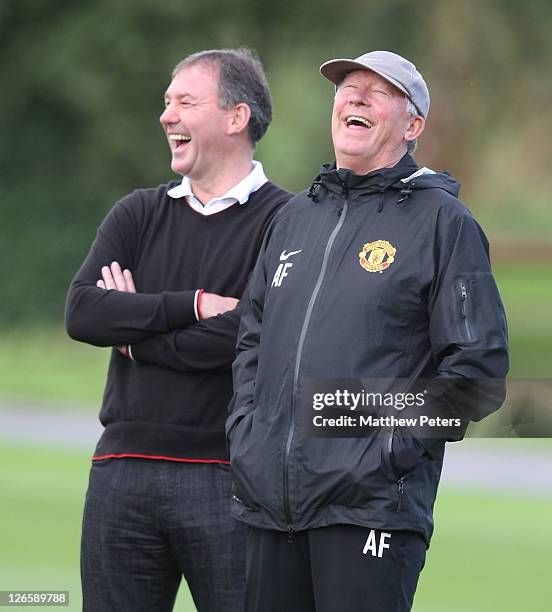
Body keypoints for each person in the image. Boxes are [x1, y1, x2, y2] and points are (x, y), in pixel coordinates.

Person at [227, 50, 508, 612]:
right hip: (270, 505)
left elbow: (477, 373)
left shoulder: (443, 223)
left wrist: (385, 450)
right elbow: (252, 339)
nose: (355, 96)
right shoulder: (293, 218)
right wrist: (247, 434)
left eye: (377, 91)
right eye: (347, 88)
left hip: (370, 511)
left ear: (413, 126)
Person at [65, 47, 291, 611]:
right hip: (121, 474)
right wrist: (188, 305)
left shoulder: (288, 222)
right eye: (167, 103)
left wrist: (133, 332)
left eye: (185, 102)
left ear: (236, 117)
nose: (167, 116)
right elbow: (83, 313)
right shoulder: (136, 213)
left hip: (229, 480)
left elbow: (250, 338)